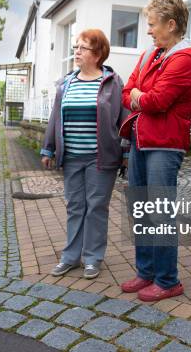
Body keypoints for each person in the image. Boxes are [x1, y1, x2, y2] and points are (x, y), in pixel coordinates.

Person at [119, 0, 191, 302]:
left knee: (159, 212)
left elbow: (158, 101)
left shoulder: (185, 59)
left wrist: (140, 97)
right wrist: (140, 95)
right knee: (141, 210)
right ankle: (146, 273)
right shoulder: (148, 56)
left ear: (171, 24)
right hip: (141, 140)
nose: (148, 30)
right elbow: (126, 91)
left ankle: (168, 280)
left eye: (153, 24)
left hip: (165, 146)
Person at [41, 29, 129, 279]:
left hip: (101, 158)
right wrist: (48, 148)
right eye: (75, 47)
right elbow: (55, 118)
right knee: (75, 206)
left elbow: (123, 121)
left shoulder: (112, 83)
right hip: (71, 157)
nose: (76, 52)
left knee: (97, 207)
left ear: (98, 53)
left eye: (82, 48)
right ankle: (70, 257)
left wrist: (127, 152)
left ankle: (92, 258)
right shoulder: (66, 83)